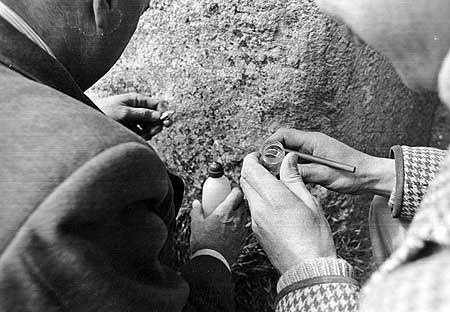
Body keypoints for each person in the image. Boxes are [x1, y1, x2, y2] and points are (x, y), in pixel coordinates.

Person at [0, 0, 245, 311]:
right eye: (143, 7)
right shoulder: (93, 168)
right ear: (104, 5)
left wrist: (82, 117)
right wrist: (213, 256)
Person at [240, 0, 450, 311]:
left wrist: (310, 268)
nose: (327, 11)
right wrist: (376, 172)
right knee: (387, 209)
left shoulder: (430, 288)